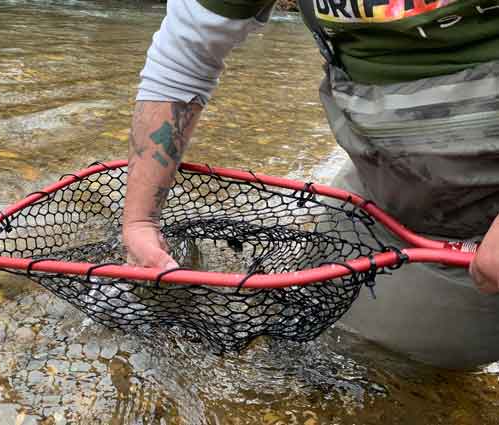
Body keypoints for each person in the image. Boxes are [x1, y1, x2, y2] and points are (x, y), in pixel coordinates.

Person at [122, 0, 499, 369]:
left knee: (414, 365)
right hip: (384, 194)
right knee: (314, 346)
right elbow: (185, 54)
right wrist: (140, 221)